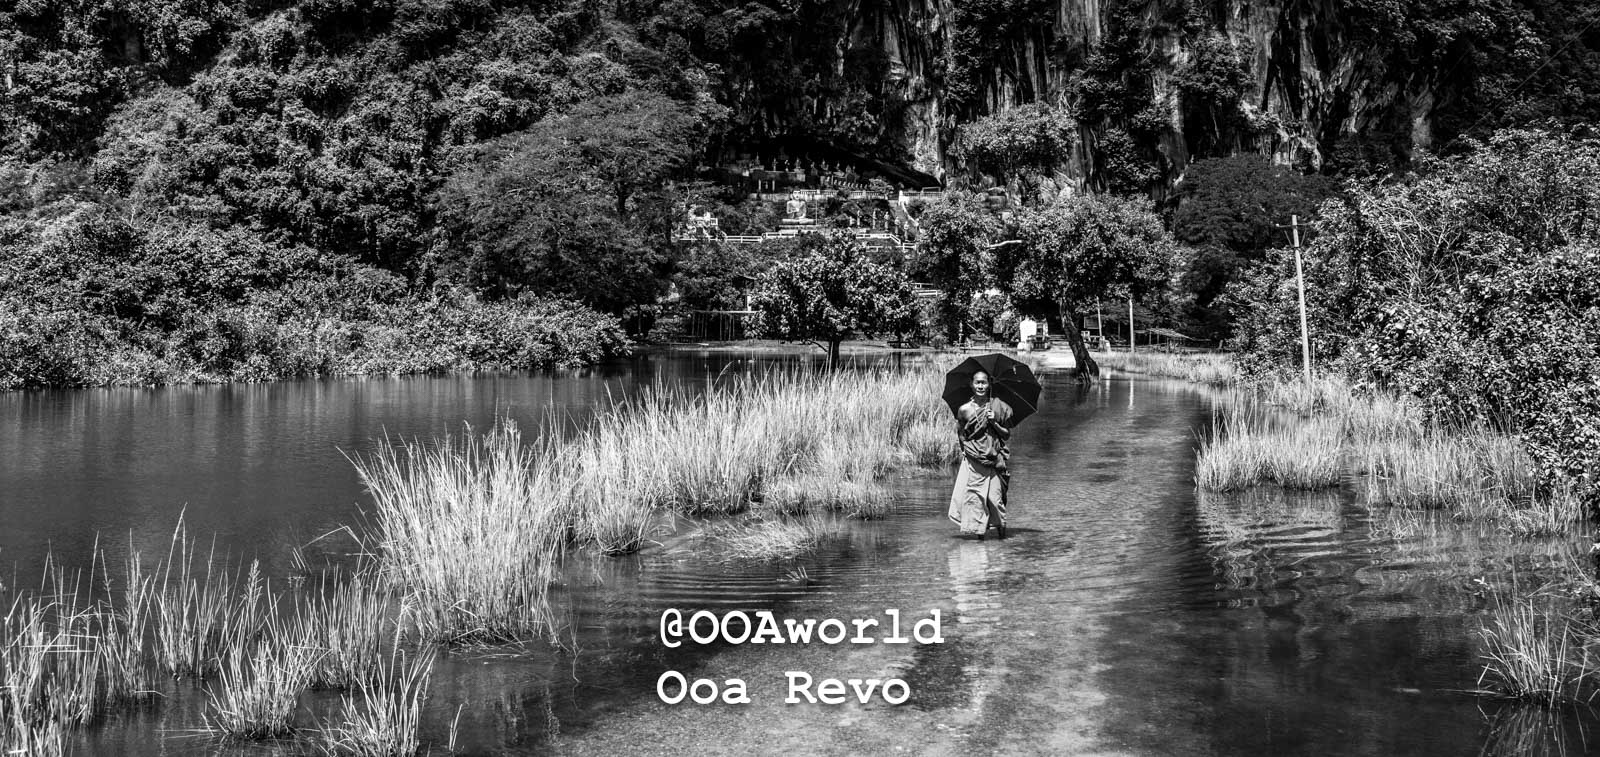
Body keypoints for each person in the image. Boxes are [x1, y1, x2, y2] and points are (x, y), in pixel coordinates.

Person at [947, 370, 1013, 539]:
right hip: (974, 460)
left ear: (989, 384)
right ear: (972, 384)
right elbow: (961, 433)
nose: (981, 386)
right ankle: (980, 541)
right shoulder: (964, 410)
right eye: (977, 382)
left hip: (994, 460)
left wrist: (994, 422)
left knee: (995, 500)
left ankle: (1002, 541)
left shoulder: (997, 407)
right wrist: (965, 451)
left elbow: (1006, 435)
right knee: (976, 501)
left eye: (984, 382)